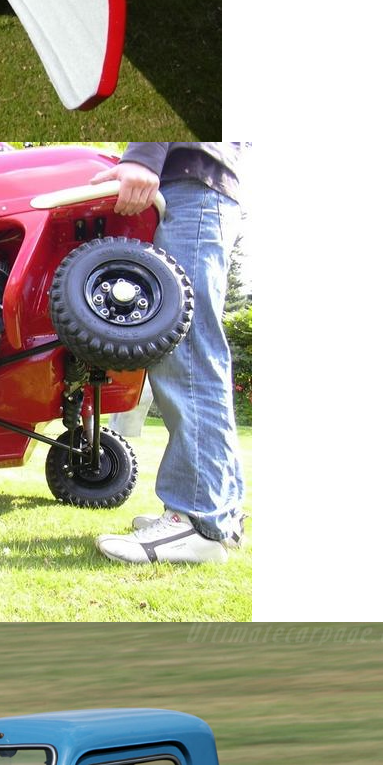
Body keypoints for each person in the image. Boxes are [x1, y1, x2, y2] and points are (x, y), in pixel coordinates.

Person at [98, 141, 248, 565]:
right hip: (203, 187)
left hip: (191, 186)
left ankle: (196, 521)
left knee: (185, 352)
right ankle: (221, 514)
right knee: (199, 351)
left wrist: (143, 157)